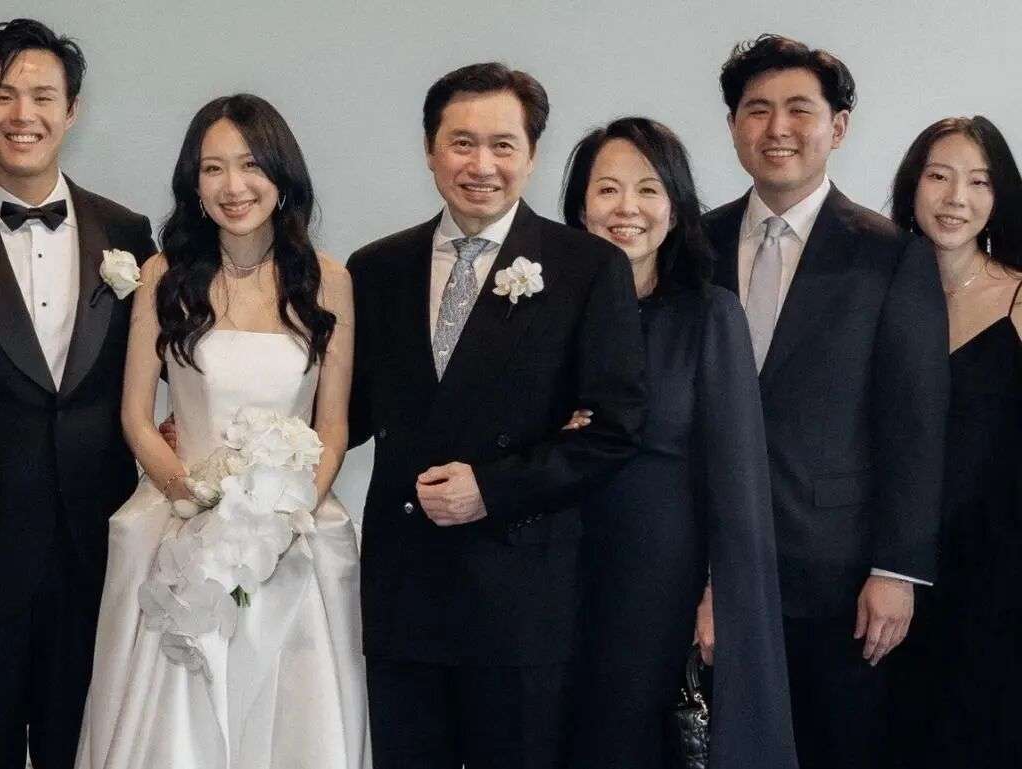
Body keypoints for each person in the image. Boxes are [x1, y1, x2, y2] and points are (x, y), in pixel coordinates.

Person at [346, 63, 646, 769]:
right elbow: (349, 409)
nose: (481, 165)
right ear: (429, 149)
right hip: (403, 588)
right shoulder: (376, 267)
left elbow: (615, 429)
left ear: (532, 155)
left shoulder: (587, 268)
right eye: (462, 143)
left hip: (520, 595)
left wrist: (493, 487)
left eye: (503, 145)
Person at [73, 94, 370, 769]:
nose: (234, 186)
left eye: (250, 165)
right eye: (213, 168)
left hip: (290, 529)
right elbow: (136, 416)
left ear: (281, 174)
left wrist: (285, 514)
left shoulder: (329, 280)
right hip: (180, 519)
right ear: (194, 183)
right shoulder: (163, 276)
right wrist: (190, 497)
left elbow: (332, 424)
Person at [701, 34, 949, 769]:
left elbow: (915, 423)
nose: (777, 128)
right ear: (733, 126)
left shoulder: (892, 254)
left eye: (799, 109)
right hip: (705, 558)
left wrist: (897, 569)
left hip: (836, 572)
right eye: (757, 110)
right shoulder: (693, 243)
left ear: (837, 127)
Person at [560, 117, 797, 769]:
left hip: (659, 581)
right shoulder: (546, 312)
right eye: (607, 189)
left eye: (647, 189)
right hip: (553, 573)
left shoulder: (708, 313)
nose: (627, 208)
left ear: (674, 208)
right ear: (580, 207)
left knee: (630, 742)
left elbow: (737, 474)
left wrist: (720, 593)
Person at [0, 18, 156, 769]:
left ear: (72, 110)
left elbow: (170, 363)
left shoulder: (127, 231)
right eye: (2, 95)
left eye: (40, 96)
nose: (21, 115)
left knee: (85, 743)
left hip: (93, 545)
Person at [887, 116, 1022, 769]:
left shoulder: (1018, 295)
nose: (956, 198)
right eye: (939, 176)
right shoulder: (877, 290)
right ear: (913, 184)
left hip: (999, 568)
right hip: (891, 560)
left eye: (979, 182)